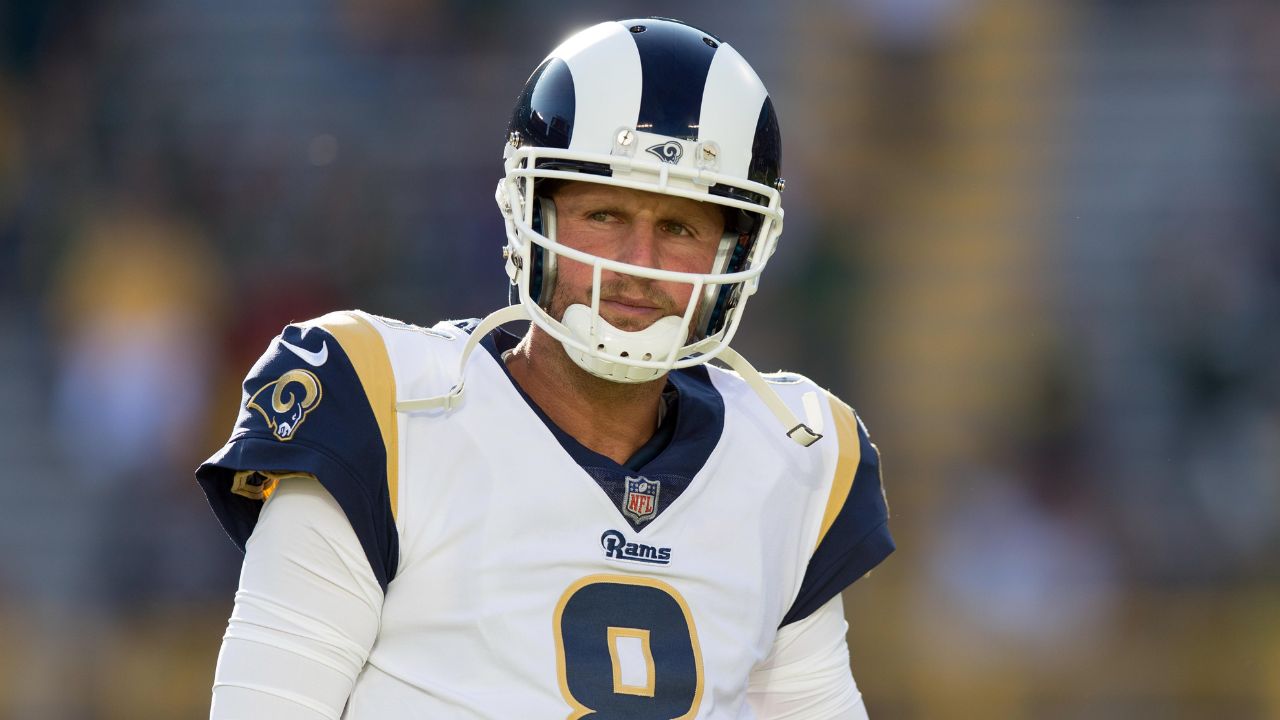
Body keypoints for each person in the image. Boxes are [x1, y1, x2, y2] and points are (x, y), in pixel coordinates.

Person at [197, 17, 893, 719]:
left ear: (734, 254)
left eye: (679, 228)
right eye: (603, 213)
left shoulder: (791, 456)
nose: (637, 263)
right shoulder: (385, 408)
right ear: (532, 215)